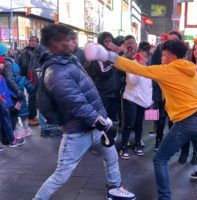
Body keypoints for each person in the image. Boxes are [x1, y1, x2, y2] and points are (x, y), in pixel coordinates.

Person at [85, 39, 197, 200]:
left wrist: (107, 55)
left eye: (164, 55)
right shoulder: (192, 72)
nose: (162, 58)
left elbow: (136, 69)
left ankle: (164, 197)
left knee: (160, 160)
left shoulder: (168, 70)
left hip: (185, 119)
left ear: (172, 56)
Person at [33, 24, 135, 200]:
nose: (74, 41)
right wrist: (103, 123)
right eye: (69, 39)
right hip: (77, 132)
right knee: (61, 175)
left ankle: (114, 188)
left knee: (111, 156)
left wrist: (102, 123)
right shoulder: (55, 71)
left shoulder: (68, 60)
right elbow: (77, 104)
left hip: (93, 127)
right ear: (55, 43)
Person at [119, 41, 153, 159]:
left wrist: (149, 101)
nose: (143, 58)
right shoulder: (131, 65)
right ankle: (123, 146)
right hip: (131, 98)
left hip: (143, 101)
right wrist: (139, 67)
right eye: (141, 56)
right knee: (129, 124)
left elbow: (149, 86)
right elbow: (133, 82)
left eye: (145, 57)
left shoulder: (148, 68)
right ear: (137, 55)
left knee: (139, 124)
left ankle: (137, 144)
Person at [178, 41, 197, 165]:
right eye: (194, 48)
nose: (196, 51)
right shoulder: (188, 64)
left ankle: (196, 153)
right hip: (187, 100)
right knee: (185, 126)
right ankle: (184, 151)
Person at [85, 32, 123, 123]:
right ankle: (102, 137)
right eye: (106, 41)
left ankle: (109, 136)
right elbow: (104, 72)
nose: (109, 43)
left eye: (110, 41)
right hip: (103, 94)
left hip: (115, 93)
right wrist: (115, 60)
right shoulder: (98, 56)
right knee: (103, 119)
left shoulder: (112, 54)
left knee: (111, 119)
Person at [0, 56, 25, 147]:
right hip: (4, 104)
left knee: (4, 122)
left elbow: (5, 90)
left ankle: (9, 140)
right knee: (8, 122)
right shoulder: (2, 77)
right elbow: (4, 92)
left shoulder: (2, 77)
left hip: (5, 102)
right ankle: (13, 141)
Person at [18, 36, 39, 126]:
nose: (32, 42)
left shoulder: (37, 51)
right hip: (28, 77)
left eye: (34, 41)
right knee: (32, 97)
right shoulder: (25, 52)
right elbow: (24, 66)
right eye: (31, 41)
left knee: (34, 97)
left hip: (35, 77)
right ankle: (31, 117)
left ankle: (32, 116)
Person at [12, 63, 36, 138]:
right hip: (22, 102)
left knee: (14, 118)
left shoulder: (8, 80)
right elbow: (31, 88)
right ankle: (27, 130)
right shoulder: (22, 79)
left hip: (13, 102)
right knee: (24, 117)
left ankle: (17, 133)